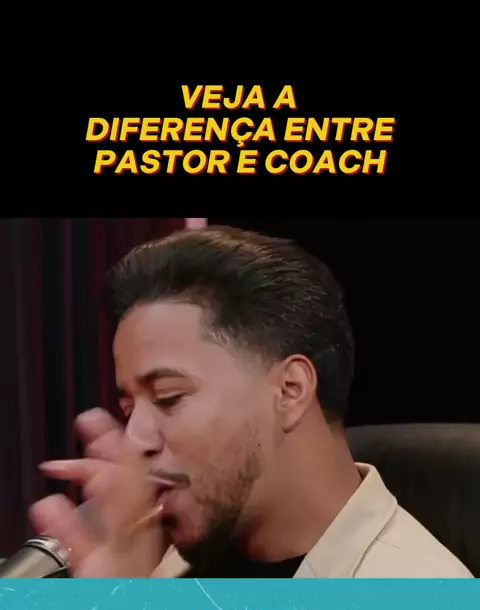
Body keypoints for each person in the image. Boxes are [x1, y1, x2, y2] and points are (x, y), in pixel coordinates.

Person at [29, 226, 473, 578]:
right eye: (129, 410)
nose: (135, 438)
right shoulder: (163, 564)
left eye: (169, 397)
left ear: (290, 390)